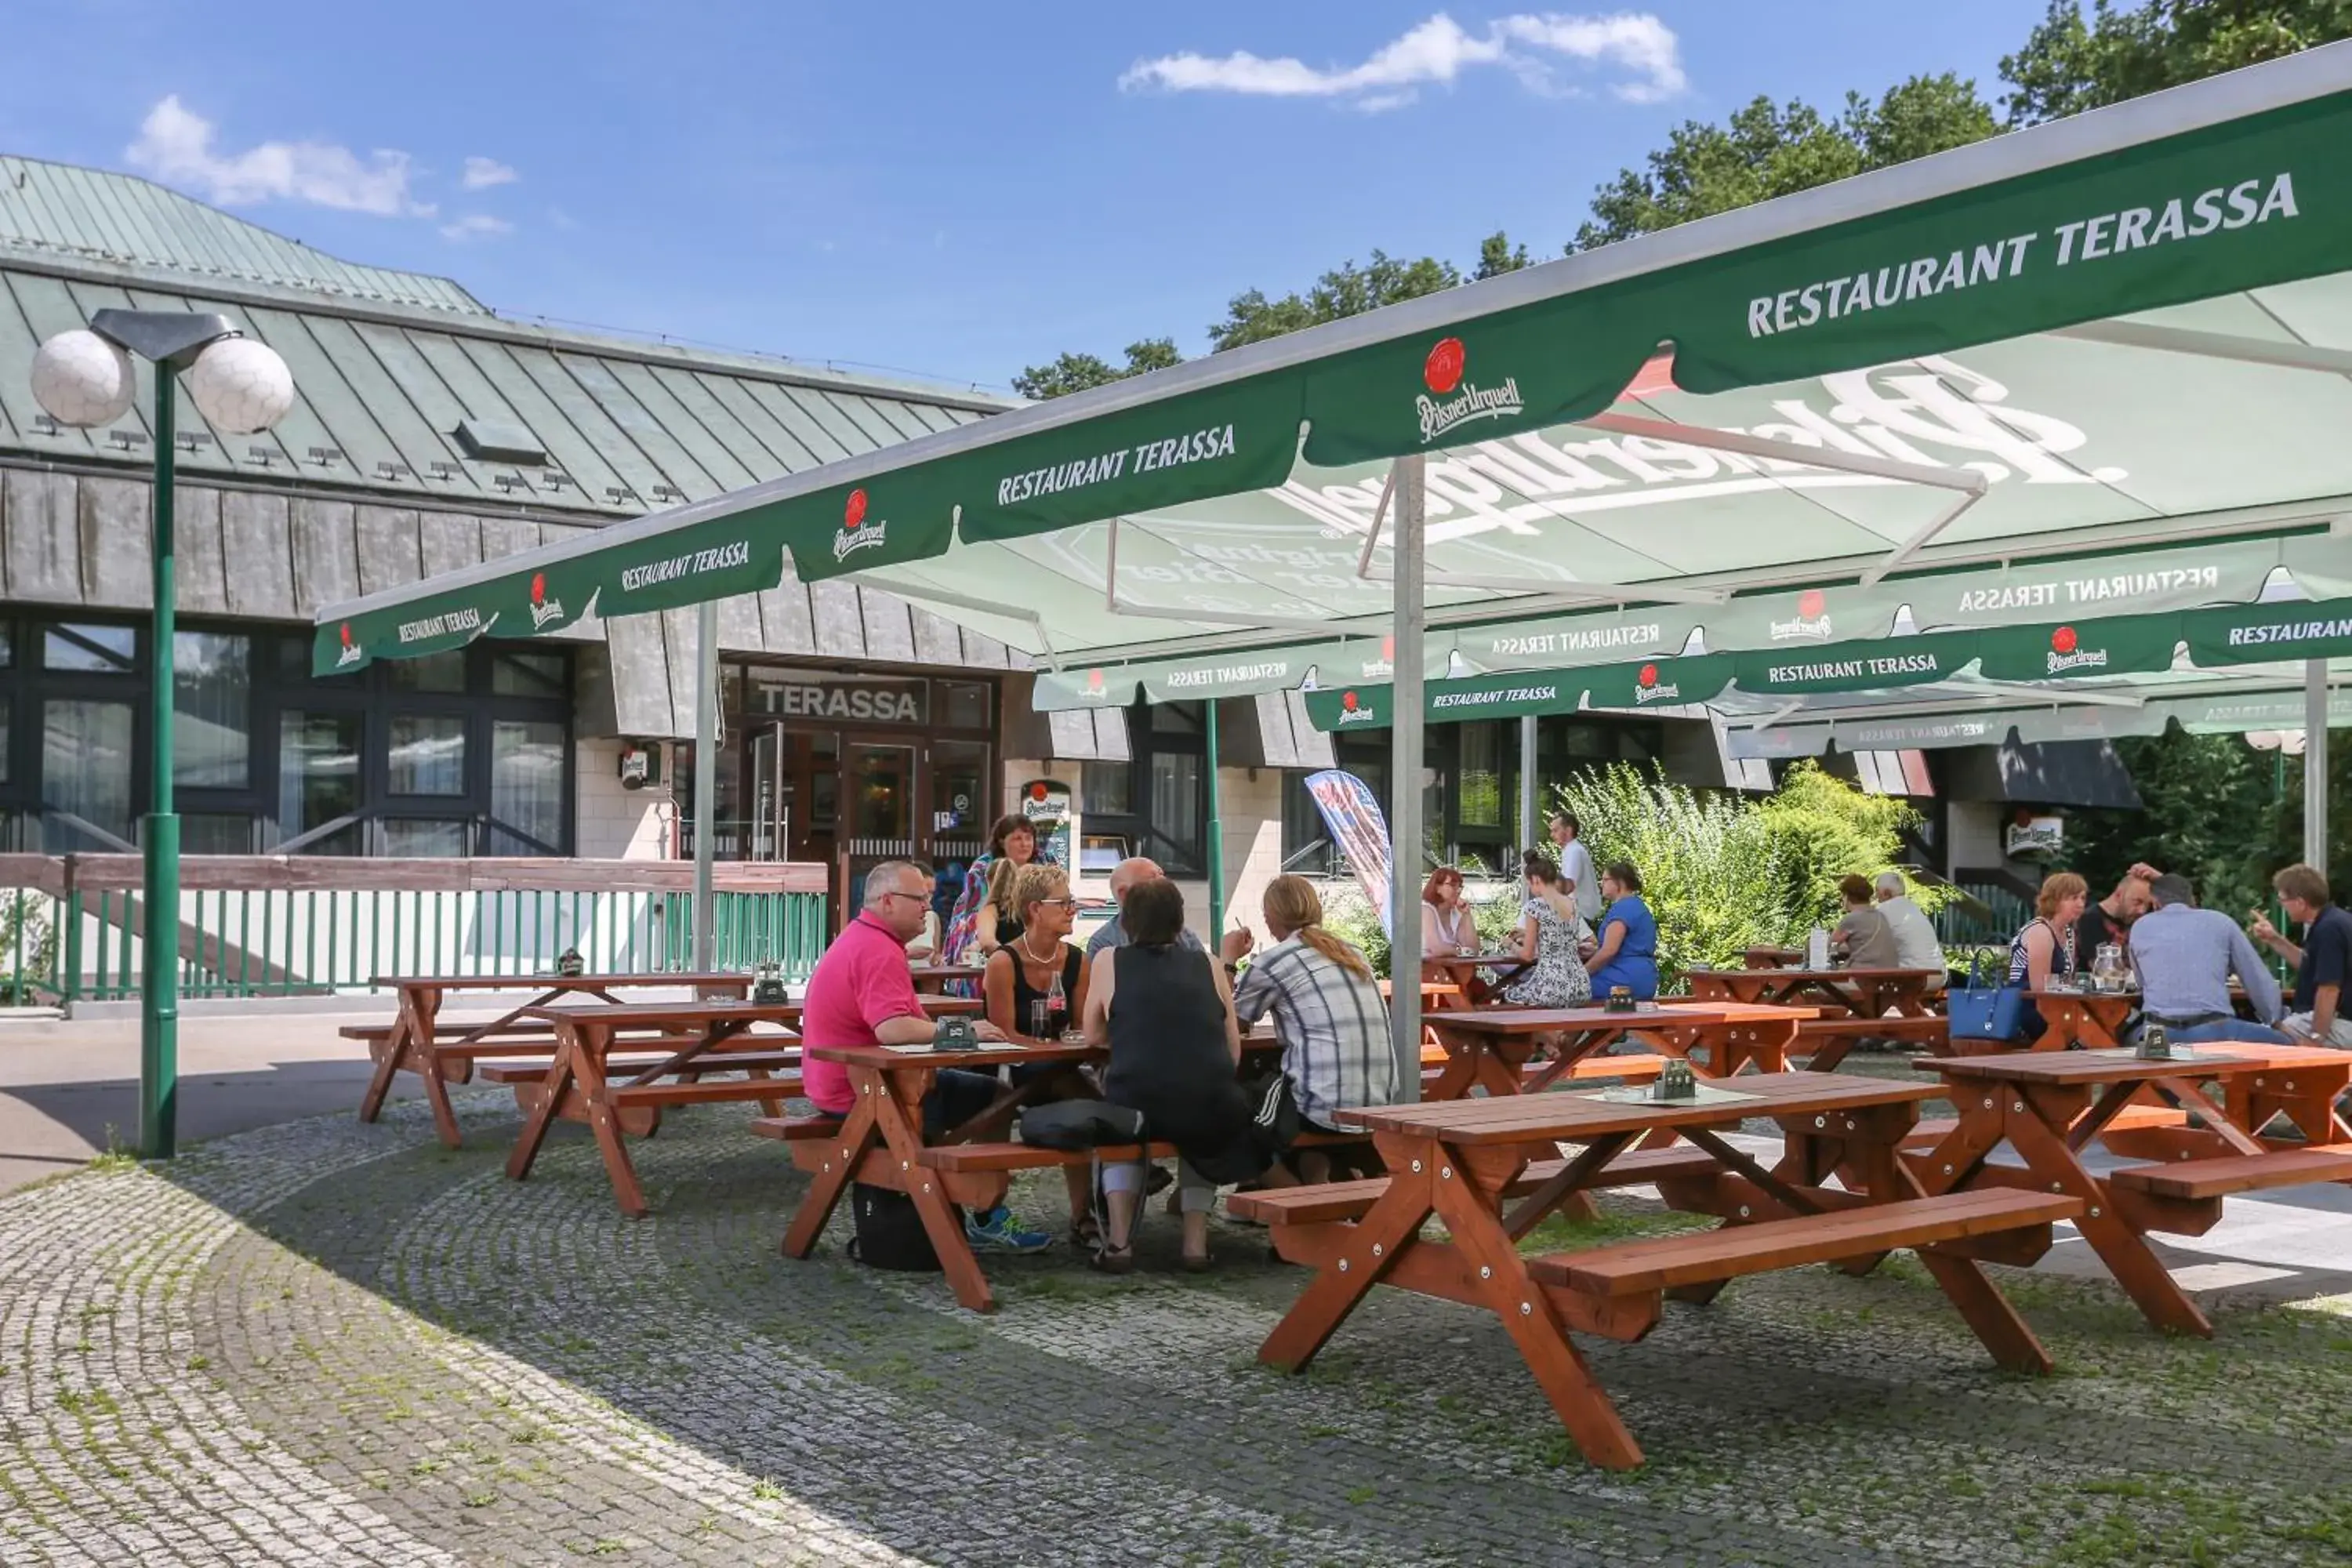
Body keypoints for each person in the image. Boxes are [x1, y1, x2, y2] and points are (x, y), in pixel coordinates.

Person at [800, 859, 1049, 1253]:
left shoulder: (864, 937)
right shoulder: (878, 949)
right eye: (919, 899)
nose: (927, 908)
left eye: (928, 898)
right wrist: (965, 1032)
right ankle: (986, 1210)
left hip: (846, 1084)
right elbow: (893, 1028)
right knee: (999, 1099)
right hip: (864, 1095)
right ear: (886, 901)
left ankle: (974, 1201)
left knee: (986, 1094)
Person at [1083, 877, 1273, 1273]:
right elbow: (1232, 1046)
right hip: (1210, 1098)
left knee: (1118, 1127)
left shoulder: (1108, 960)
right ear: (1178, 920)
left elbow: (1093, 1034)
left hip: (1138, 1096)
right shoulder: (1206, 962)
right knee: (1204, 1119)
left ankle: (1119, 1244)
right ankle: (1195, 1245)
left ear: (1128, 921)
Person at [1228, 875, 1398, 1182]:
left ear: (1270, 917)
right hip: (1378, 1100)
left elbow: (1229, 1025)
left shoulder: (1271, 963)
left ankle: (1294, 1201)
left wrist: (1228, 960)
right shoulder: (1352, 953)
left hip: (1326, 1106)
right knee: (1283, 1093)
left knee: (1229, 1112)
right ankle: (1316, 1192)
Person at [982, 862, 1099, 1246]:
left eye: (1073, 902)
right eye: (1064, 903)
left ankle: (1086, 1214)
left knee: (1077, 1095)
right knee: (1082, 1097)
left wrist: (1067, 1047)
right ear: (1035, 909)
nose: (1073, 910)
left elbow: (1079, 1028)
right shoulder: (1003, 962)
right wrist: (1054, 1048)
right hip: (1013, 1071)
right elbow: (1004, 1036)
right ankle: (1097, 1202)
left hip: (1061, 1067)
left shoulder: (1078, 962)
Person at [2127, 873, 2286, 1045]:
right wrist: (2275, 1019)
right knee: (2288, 1043)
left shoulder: (2140, 927)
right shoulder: (2221, 923)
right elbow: (2256, 979)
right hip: (2214, 1030)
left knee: (2126, 1037)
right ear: (2192, 898)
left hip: (2158, 1033)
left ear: (2155, 902)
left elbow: (2141, 981)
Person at [2249, 862, 2352, 1047]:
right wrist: (2275, 939)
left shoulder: (2328, 930)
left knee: (2272, 1035)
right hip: (2343, 1020)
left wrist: (2316, 1039)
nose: (2282, 906)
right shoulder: (2334, 921)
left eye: (2282, 900)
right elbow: (2309, 965)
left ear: (2300, 902)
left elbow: (2328, 990)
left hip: (2345, 1023)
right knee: (2279, 1028)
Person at [943, 814, 1051, 973]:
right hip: (982, 920)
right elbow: (978, 910)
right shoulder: (983, 867)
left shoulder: (1045, 861)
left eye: (1029, 838)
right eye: (1017, 839)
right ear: (1002, 841)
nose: (1025, 844)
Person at [1503, 850, 1592, 1007]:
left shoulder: (1535, 907)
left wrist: (1510, 944)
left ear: (1536, 880)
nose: (1530, 889)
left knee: (1509, 996)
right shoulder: (1571, 905)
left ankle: (1536, 1033)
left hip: (1551, 984)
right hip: (1580, 983)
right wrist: (1530, 933)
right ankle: (1559, 1033)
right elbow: (1559, 934)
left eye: (1529, 884)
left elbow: (1527, 956)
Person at [1083, 856, 1206, 960]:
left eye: (1162, 875)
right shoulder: (1104, 943)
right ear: (1124, 894)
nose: (1164, 883)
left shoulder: (1185, 936)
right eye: (1153, 878)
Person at [1581, 861, 1659, 1001]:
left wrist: (1581, 973)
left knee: (1568, 990)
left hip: (1623, 979)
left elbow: (1609, 951)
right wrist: (1594, 951)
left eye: (1605, 880)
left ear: (1620, 883)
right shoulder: (1638, 906)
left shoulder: (1622, 909)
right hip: (1645, 977)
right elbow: (1628, 947)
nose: (1601, 884)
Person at [2075, 863, 2161, 970]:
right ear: (2119, 895)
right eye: (2137, 902)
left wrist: (2161, 880)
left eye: (2147, 905)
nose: (2142, 910)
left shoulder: (2138, 920)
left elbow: (2181, 914)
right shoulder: (2089, 920)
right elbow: (2103, 969)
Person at [1873, 872, 1947, 990]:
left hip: (1914, 978)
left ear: (1887, 893)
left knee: (1870, 981)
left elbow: (1867, 944)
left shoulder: (1882, 910)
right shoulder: (1914, 909)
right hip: (1939, 977)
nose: (1876, 896)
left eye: (1877, 891)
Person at [1830, 873, 1902, 971]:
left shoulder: (1851, 919)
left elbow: (1830, 945)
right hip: (1889, 976)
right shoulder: (1881, 916)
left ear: (1847, 897)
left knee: (1824, 981)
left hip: (1863, 978)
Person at [1419, 866, 1475, 982]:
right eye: (1453, 885)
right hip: (1423, 971)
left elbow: (1472, 948)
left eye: (1460, 887)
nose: (1459, 890)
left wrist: (1467, 915)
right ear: (1437, 887)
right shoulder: (1426, 909)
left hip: (1449, 970)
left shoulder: (1457, 912)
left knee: (1474, 983)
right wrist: (1460, 952)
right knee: (1465, 983)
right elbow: (1437, 949)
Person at [1548, 812, 1602, 925]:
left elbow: (1568, 886)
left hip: (1582, 915)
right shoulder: (1571, 850)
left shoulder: (1574, 851)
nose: (1552, 835)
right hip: (1579, 914)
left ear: (1568, 831)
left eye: (1555, 830)